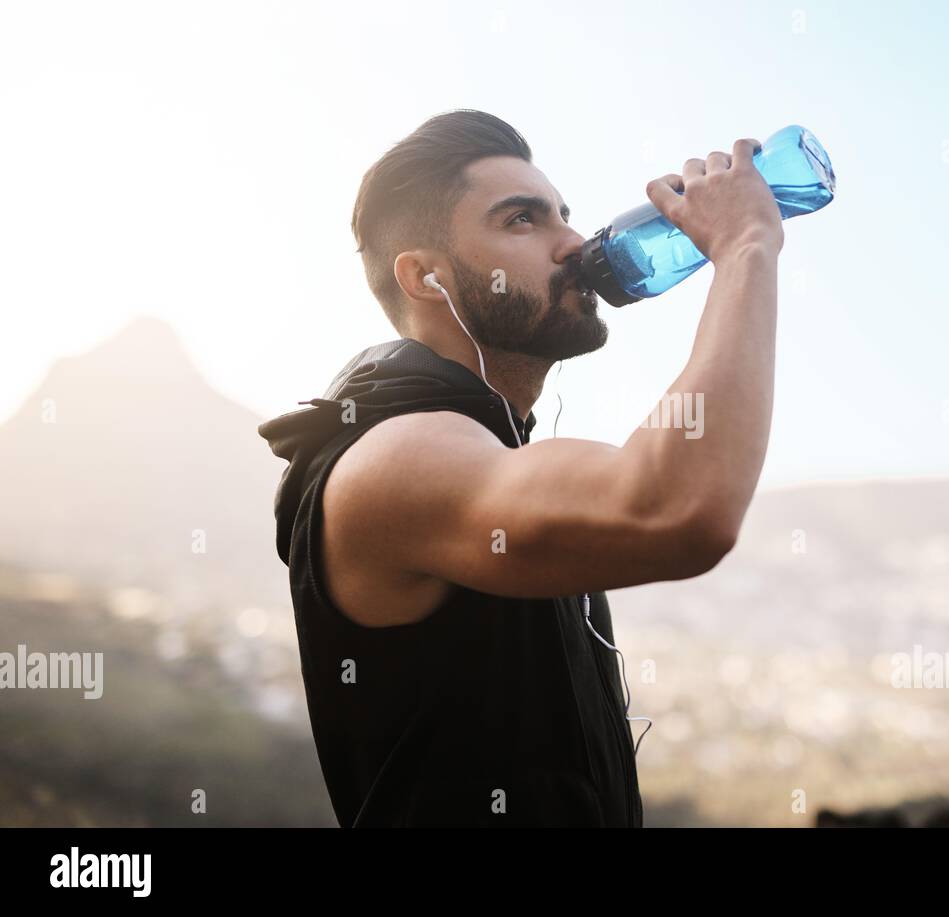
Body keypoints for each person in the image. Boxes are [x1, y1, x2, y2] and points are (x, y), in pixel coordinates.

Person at [257, 109, 783, 827]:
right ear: (424, 276)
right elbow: (678, 506)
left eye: (563, 215)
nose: (573, 242)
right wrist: (746, 246)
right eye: (521, 221)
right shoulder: (394, 454)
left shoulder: (494, 454)